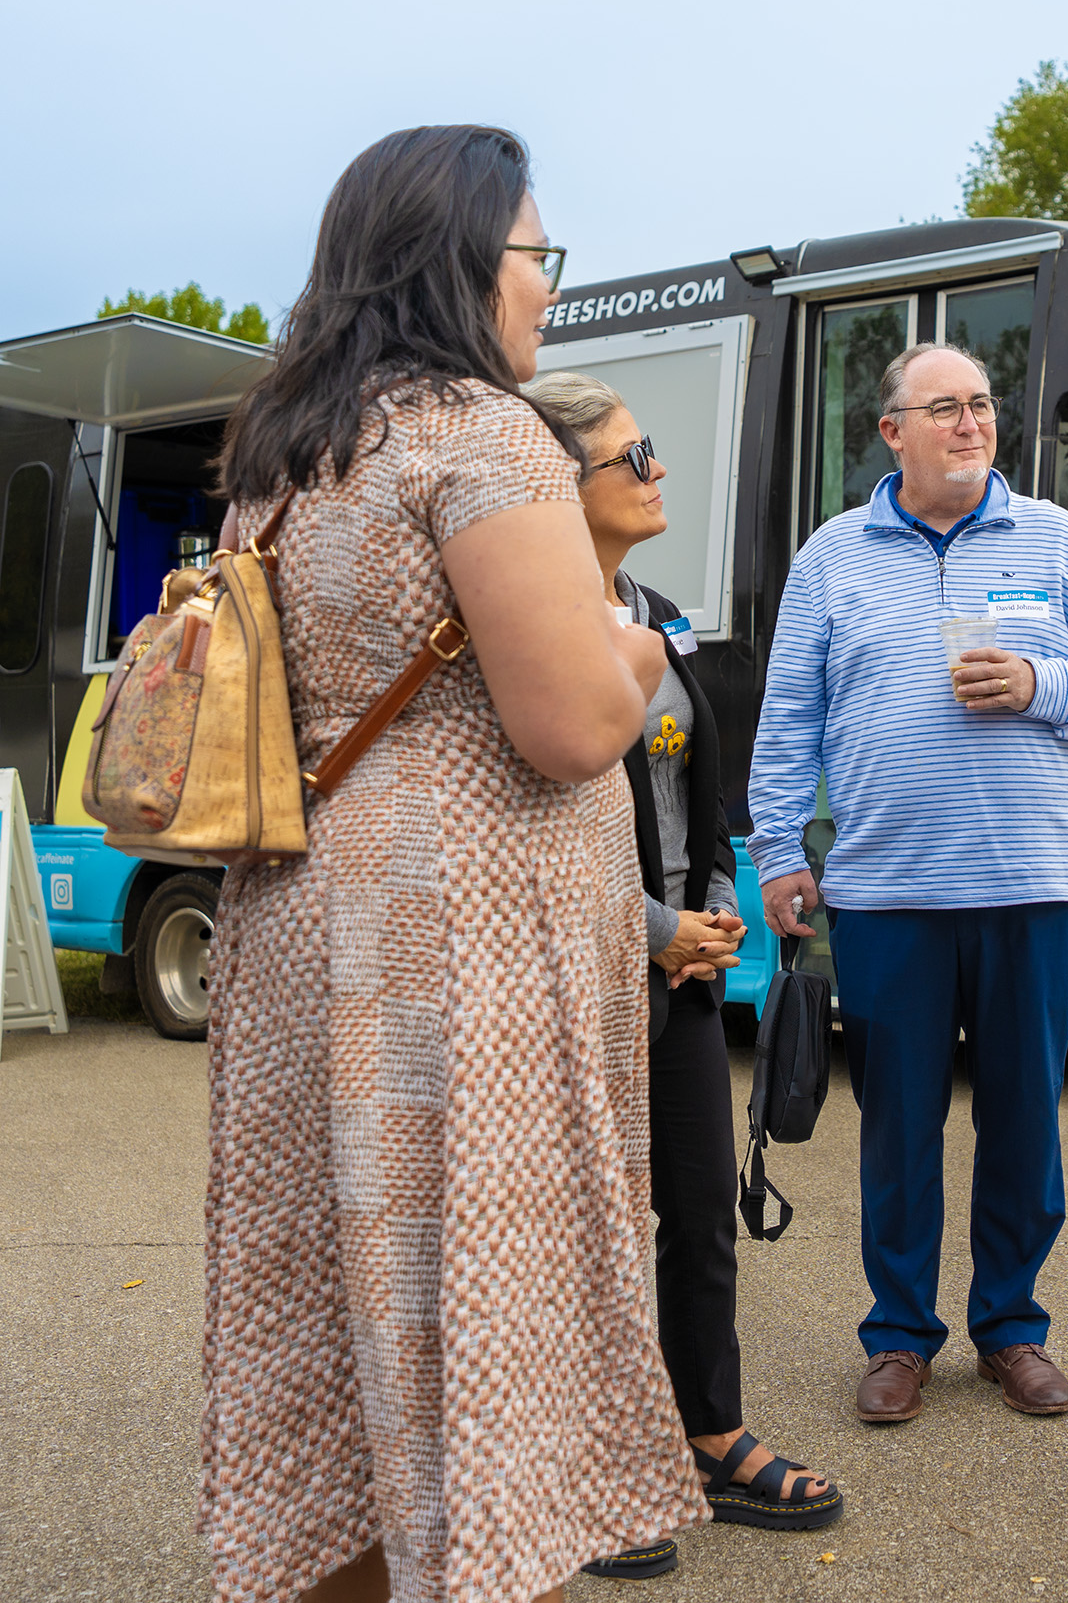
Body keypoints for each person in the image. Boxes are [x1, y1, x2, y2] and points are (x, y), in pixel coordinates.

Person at [203, 126, 706, 1603]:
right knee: (483, 1308)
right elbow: (570, 725)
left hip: (302, 919)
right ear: (465, 258)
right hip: (454, 942)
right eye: (538, 255)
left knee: (334, 1318)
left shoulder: (286, 450)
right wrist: (639, 654)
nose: (548, 285)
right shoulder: (482, 433)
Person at [746, 343, 1068, 1424]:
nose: (971, 423)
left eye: (981, 404)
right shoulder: (833, 556)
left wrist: (1035, 681)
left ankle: (1011, 1329)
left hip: (1035, 885)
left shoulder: (1059, 541)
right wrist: (778, 849)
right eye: (944, 408)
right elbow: (789, 715)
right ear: (892, 432)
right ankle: (898, 1336)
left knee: (1023, 1122)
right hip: (887, 894)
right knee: (898, 1128)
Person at [523, 371, 844, 1553]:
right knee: (587, 1230)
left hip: (679, 969)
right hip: (584, 974)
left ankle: (709, 1436)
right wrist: (659, 932)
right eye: (631, 455)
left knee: (701, 1213)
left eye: (650, 446)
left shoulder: (653, 611)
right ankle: (587, 1470)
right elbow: (532, 826)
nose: (658, 470)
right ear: (559, 485)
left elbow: (694, 791)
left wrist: (711, 905)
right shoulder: (529, 624)